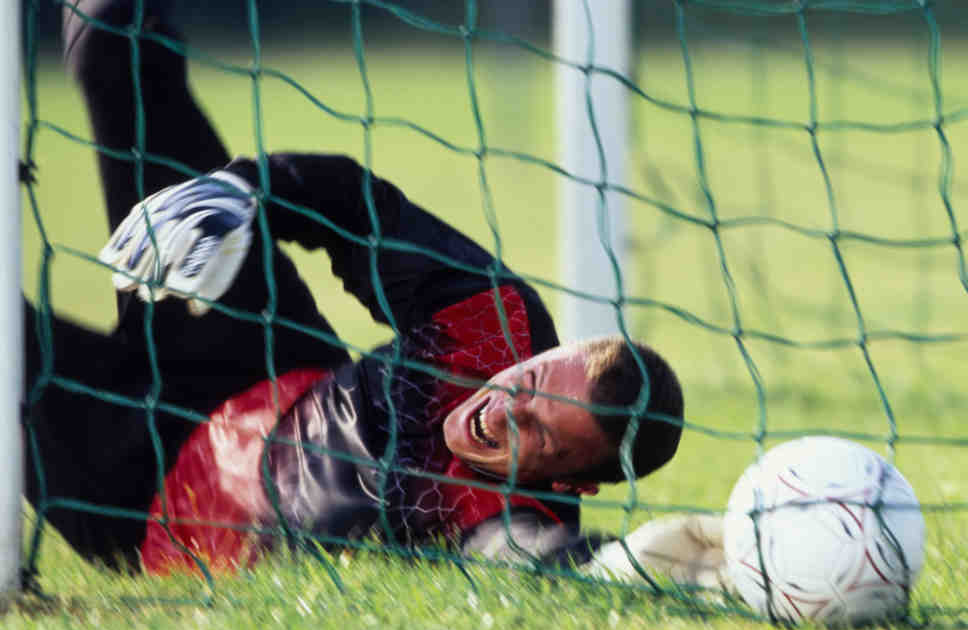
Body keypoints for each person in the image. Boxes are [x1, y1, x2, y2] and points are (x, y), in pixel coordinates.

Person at [24, 0, 686, 576]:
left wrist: (650, 562)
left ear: (571, 480)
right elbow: (353, 206)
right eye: (533, 382)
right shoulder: (496, 321)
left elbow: (531, 555)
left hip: (142, 498)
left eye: (542, 435)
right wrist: (242, 190)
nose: (508, 408)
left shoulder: (504, 514)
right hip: (249, 356)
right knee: (113, 41)